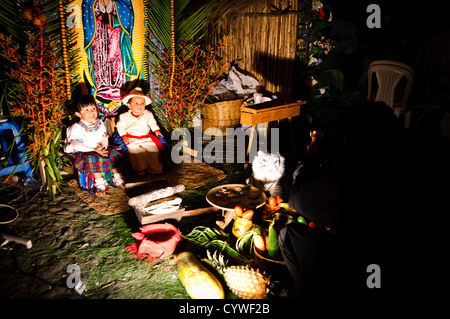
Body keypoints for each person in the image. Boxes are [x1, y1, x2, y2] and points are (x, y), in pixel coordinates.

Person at [64, 95, 126, 195]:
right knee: (94, 158)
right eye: (86, 110)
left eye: (93, 108)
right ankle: (100, 184)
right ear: (79, 114)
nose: (91, 112)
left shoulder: (99, 123)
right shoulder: (77, 127)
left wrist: (103, 147)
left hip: (98, 148)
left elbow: (104, 137)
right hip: (82, 151)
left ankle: (117, 177)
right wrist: (94, 149)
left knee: (112, 153)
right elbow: (76, 146)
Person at [116, 87, 165, 175]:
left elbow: (152, 123)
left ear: (145, 105)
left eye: (142, 103)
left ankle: (155, 168)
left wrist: (157, 131)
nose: (139, 105)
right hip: (132, 138)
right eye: (136, 103)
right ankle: (140, 169)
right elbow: (120, 127)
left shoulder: (148, 114)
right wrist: (124, 136)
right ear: (129, 105)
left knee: (152, 151)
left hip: (146, 137)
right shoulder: (124, 116)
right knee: (135, 152)